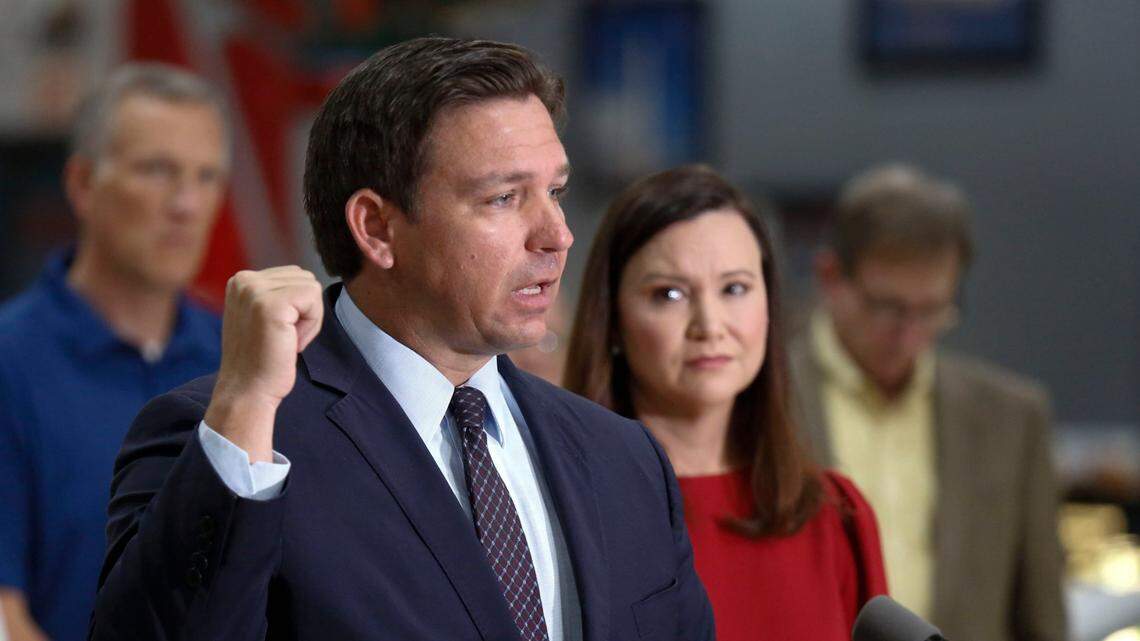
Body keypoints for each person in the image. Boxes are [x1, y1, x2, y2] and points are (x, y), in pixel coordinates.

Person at [89, 37, 714, 640]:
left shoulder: (624, 458)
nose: (557, 235)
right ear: (377, 228)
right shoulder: (235, 440)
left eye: (554, 192)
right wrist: (246, 407)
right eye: (503, 198)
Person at [563, 164, 888, 641]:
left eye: (735, 288)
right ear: (612, 320)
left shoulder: (837, 518)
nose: (710, 325)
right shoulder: (561, 519)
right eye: (670, 294)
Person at [790, 163, 1066, 641]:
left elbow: (1042, 616)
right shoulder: (758, 399)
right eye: (888, 308)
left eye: (932, 310)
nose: (910, 335)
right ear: (830, 276)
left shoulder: (1011, 418)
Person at [0, 63, 228, 641]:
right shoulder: (10, 364)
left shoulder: (245, 362)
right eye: (157, 170)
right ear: (82, 184)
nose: (186, 203)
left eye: (206, 176)